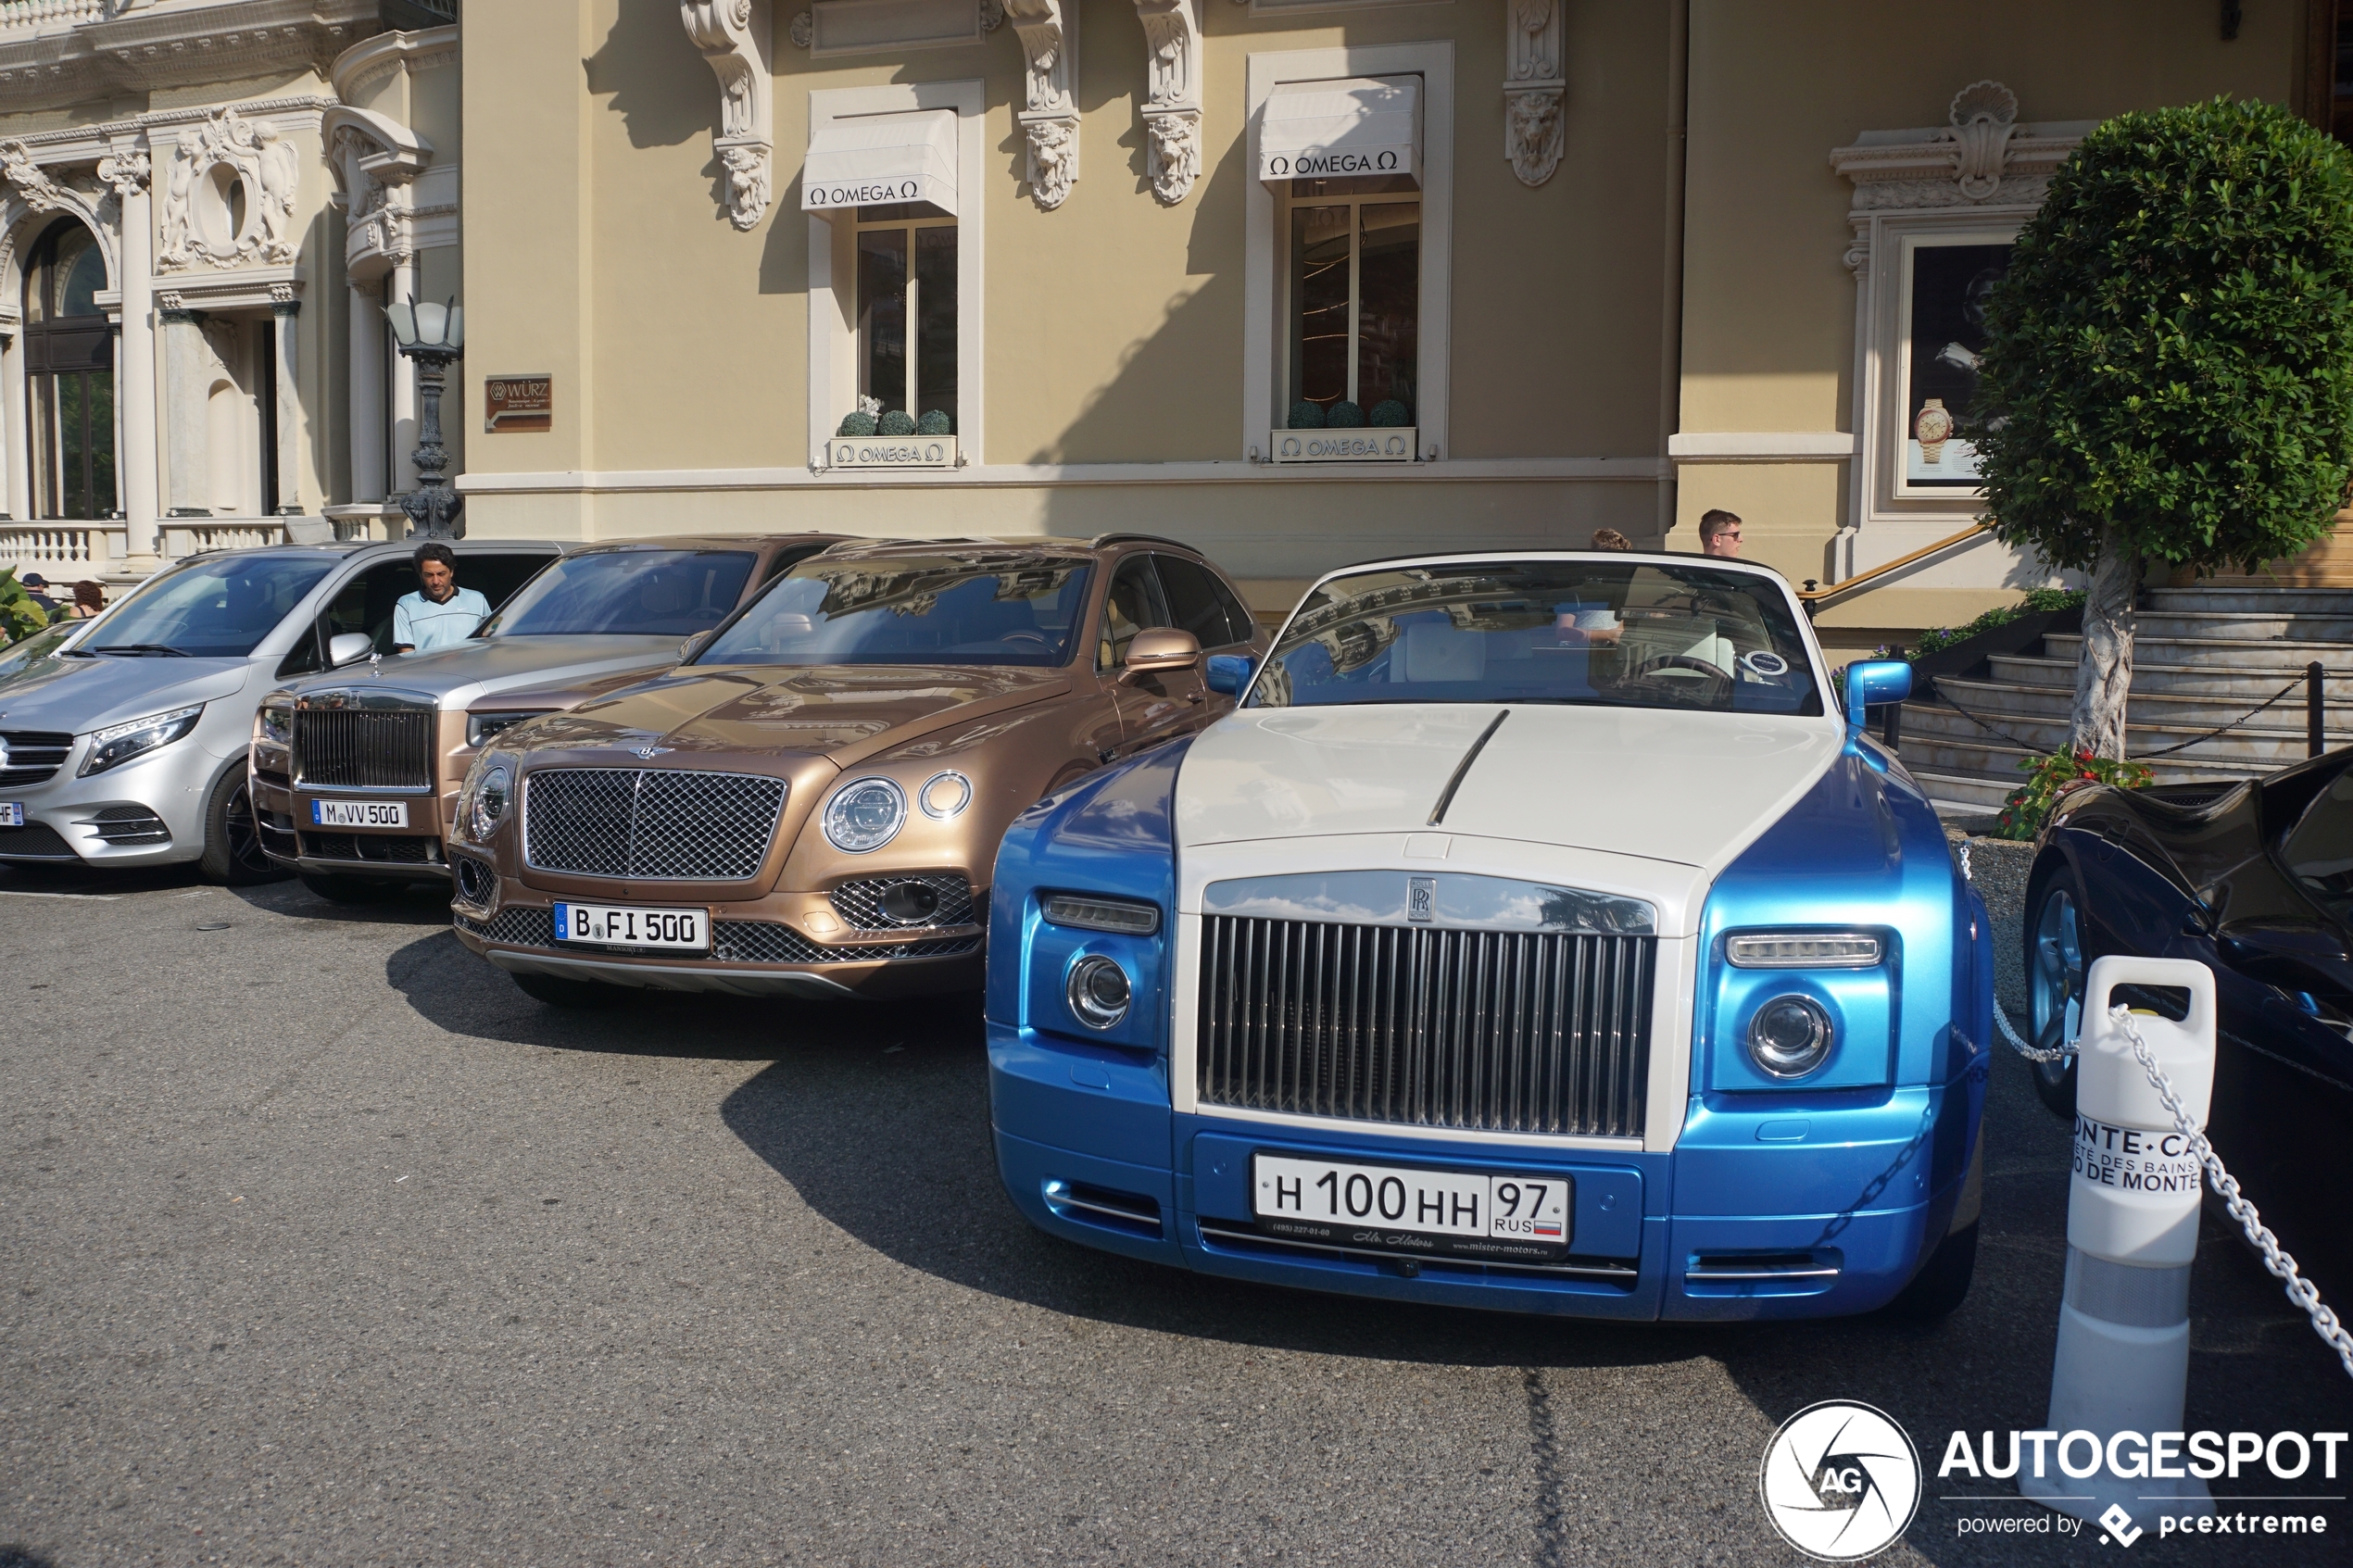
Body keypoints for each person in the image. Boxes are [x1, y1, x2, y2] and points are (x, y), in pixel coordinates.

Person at [393, 542, 491, 653]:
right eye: (428, 575)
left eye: (441, 574)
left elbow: (488, 640)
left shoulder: (477, 600)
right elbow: (407, 652)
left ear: (451, 572)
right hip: (427, 669)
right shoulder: (406, 604)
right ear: (420, 575)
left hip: (469, 669)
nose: (435, 581)